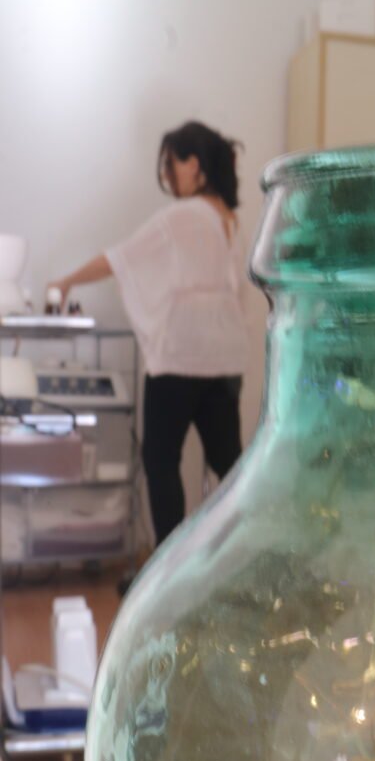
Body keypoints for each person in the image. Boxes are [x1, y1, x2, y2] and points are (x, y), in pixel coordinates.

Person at [50, 121, 249, 548]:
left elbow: (121, 258)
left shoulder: (184, 216)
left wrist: (66, 281)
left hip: (180, 359)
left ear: (193, 165)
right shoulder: (230, 220)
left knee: (160, 461)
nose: (168, 177)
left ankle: (168, 568)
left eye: (171, 165)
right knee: (231, 469)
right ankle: (242, 560)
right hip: (226, 361)